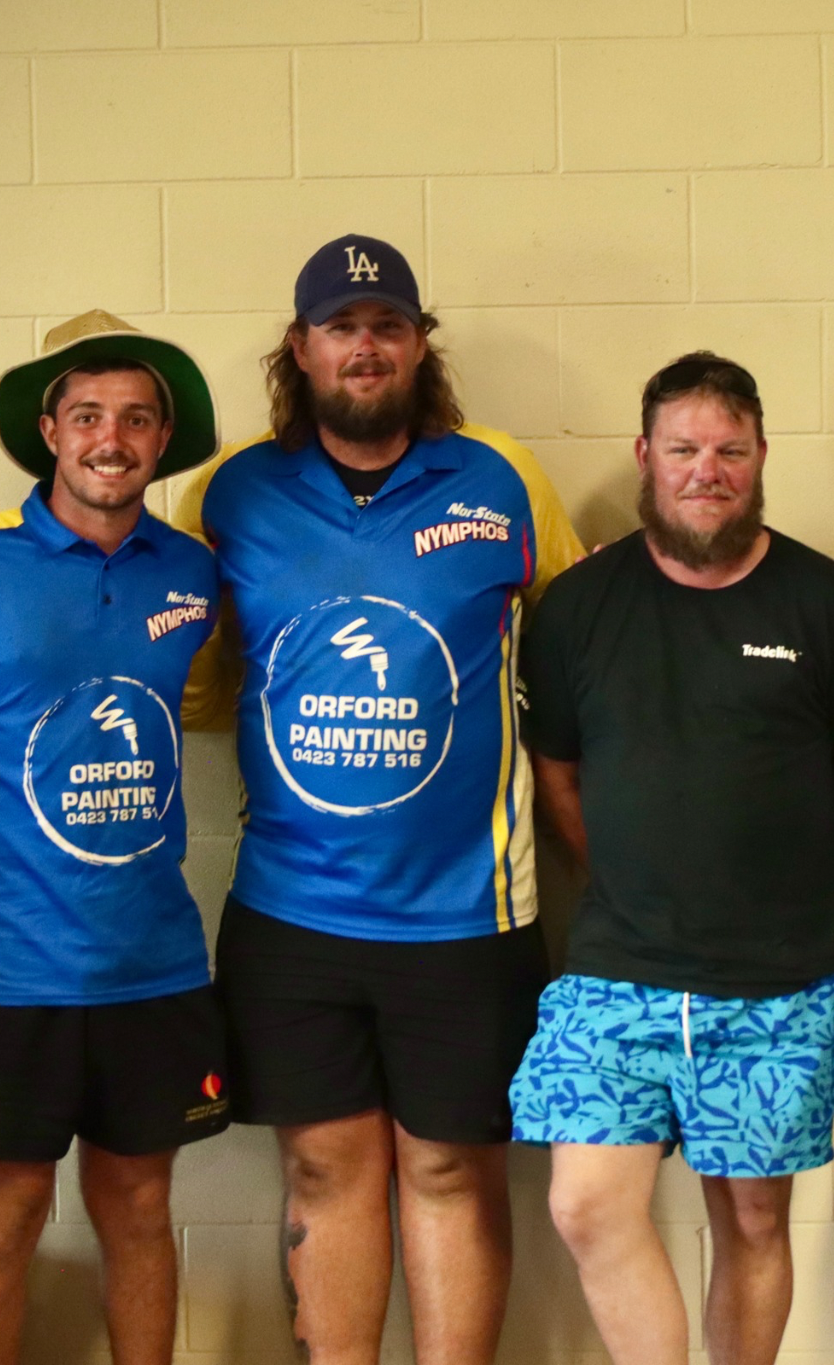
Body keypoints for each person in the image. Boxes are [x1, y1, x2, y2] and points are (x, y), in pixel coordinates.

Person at [171, 235, 583, 1365]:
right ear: (299, 348)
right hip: (292, 915)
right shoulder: (237, 489)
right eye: (341, 326)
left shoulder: (502, 479)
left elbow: (579, 650)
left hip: (467, 916)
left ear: (418, 346)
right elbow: (198, 677)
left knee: (450, 1168)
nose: (366, 346)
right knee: (321, 1168)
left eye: (388, 325)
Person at [511, 353, 834, 1365]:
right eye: (684, 449)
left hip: (773, 989)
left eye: (729, 450)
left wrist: (798, 875)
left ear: (760, 457)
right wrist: (624, 875)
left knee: (751, 1226)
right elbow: (553, 771)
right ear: (644, 457)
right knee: (586, 1207)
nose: (707, 470)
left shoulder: (823, 603)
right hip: (614, 974)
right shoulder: (577, 607)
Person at [0, 311, 229, 1365]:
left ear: (160, 442)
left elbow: (238, 700)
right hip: (5, 969)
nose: (111, 437)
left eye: (136, 418)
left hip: (155, 964)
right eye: (87, 413)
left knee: (139, 1209)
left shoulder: (194, 574)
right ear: (48, 430)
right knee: (1, 1215)